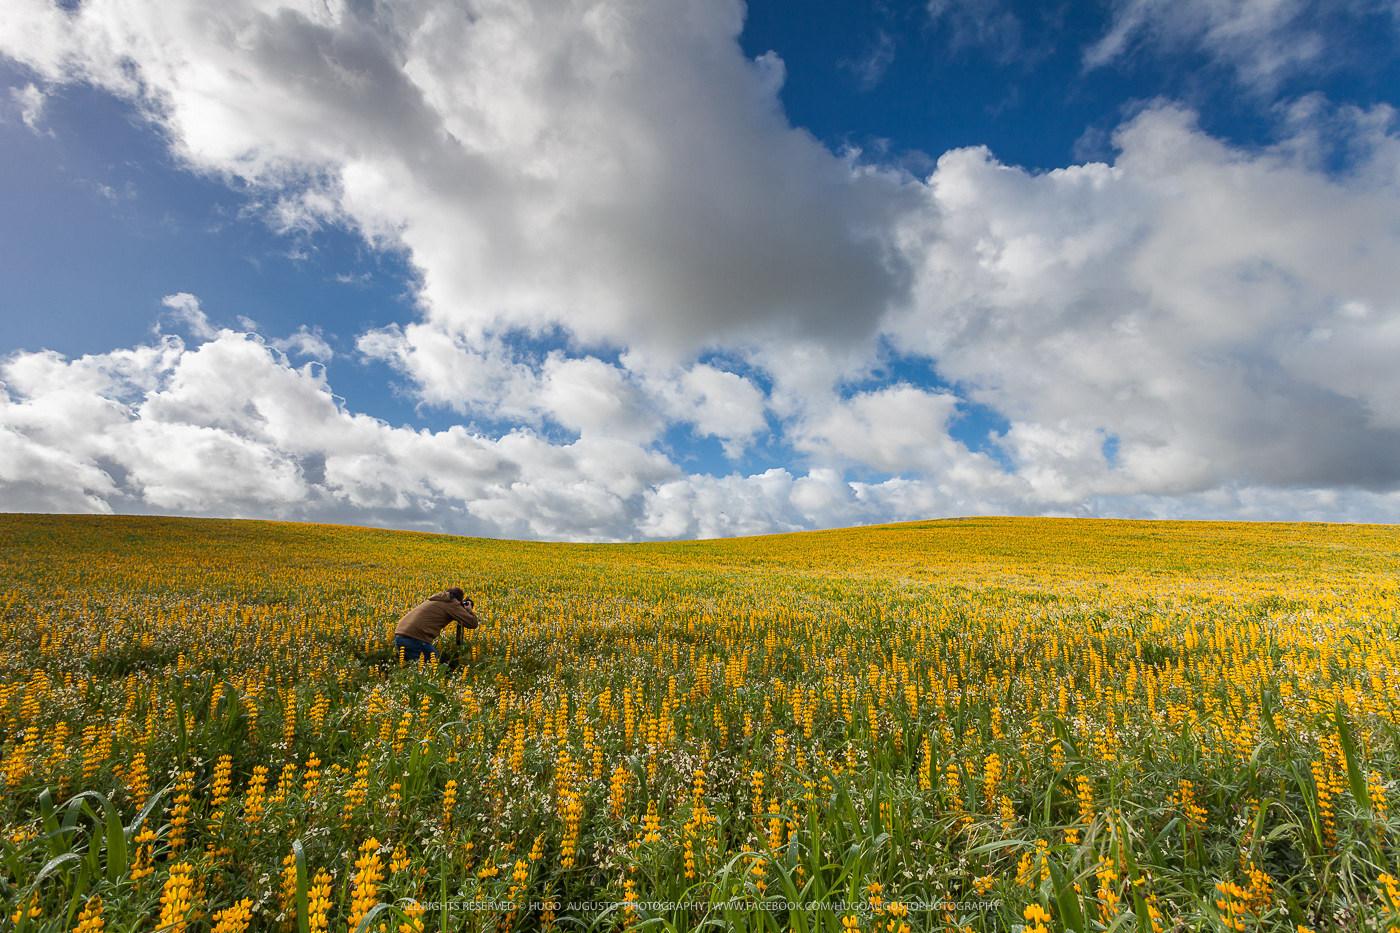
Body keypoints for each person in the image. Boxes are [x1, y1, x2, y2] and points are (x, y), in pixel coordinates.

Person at [393, 586, 478, 664]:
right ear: (459, 600)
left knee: (411, 672)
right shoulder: (452, 603)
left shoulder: (436, 599)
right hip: (416, 638)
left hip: (399, 636)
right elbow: (472, 623)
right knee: (434, 671)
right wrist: (468, 610)